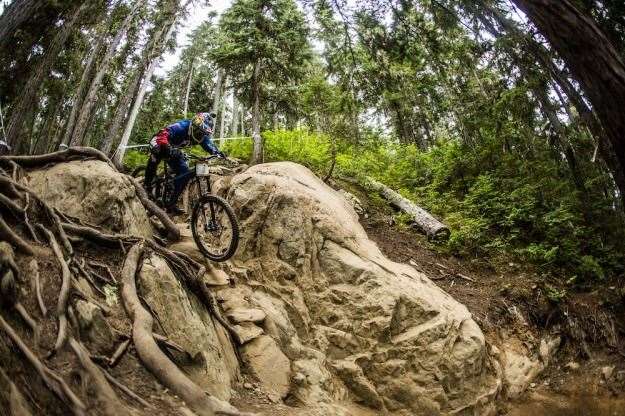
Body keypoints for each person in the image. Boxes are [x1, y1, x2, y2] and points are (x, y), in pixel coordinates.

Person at [144, 112, 226, 215]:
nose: (200, 135)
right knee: (156, 155)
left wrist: (217, 152)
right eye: (198, 132)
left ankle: (171, 203)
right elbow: (163, 134)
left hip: (175, 150)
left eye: (202, 133)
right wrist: (168, 148)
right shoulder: (181, 127)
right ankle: (146, 186)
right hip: (161, 142)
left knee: (184, 173)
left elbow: (208, 144)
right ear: (193, 126)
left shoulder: (201, 135)